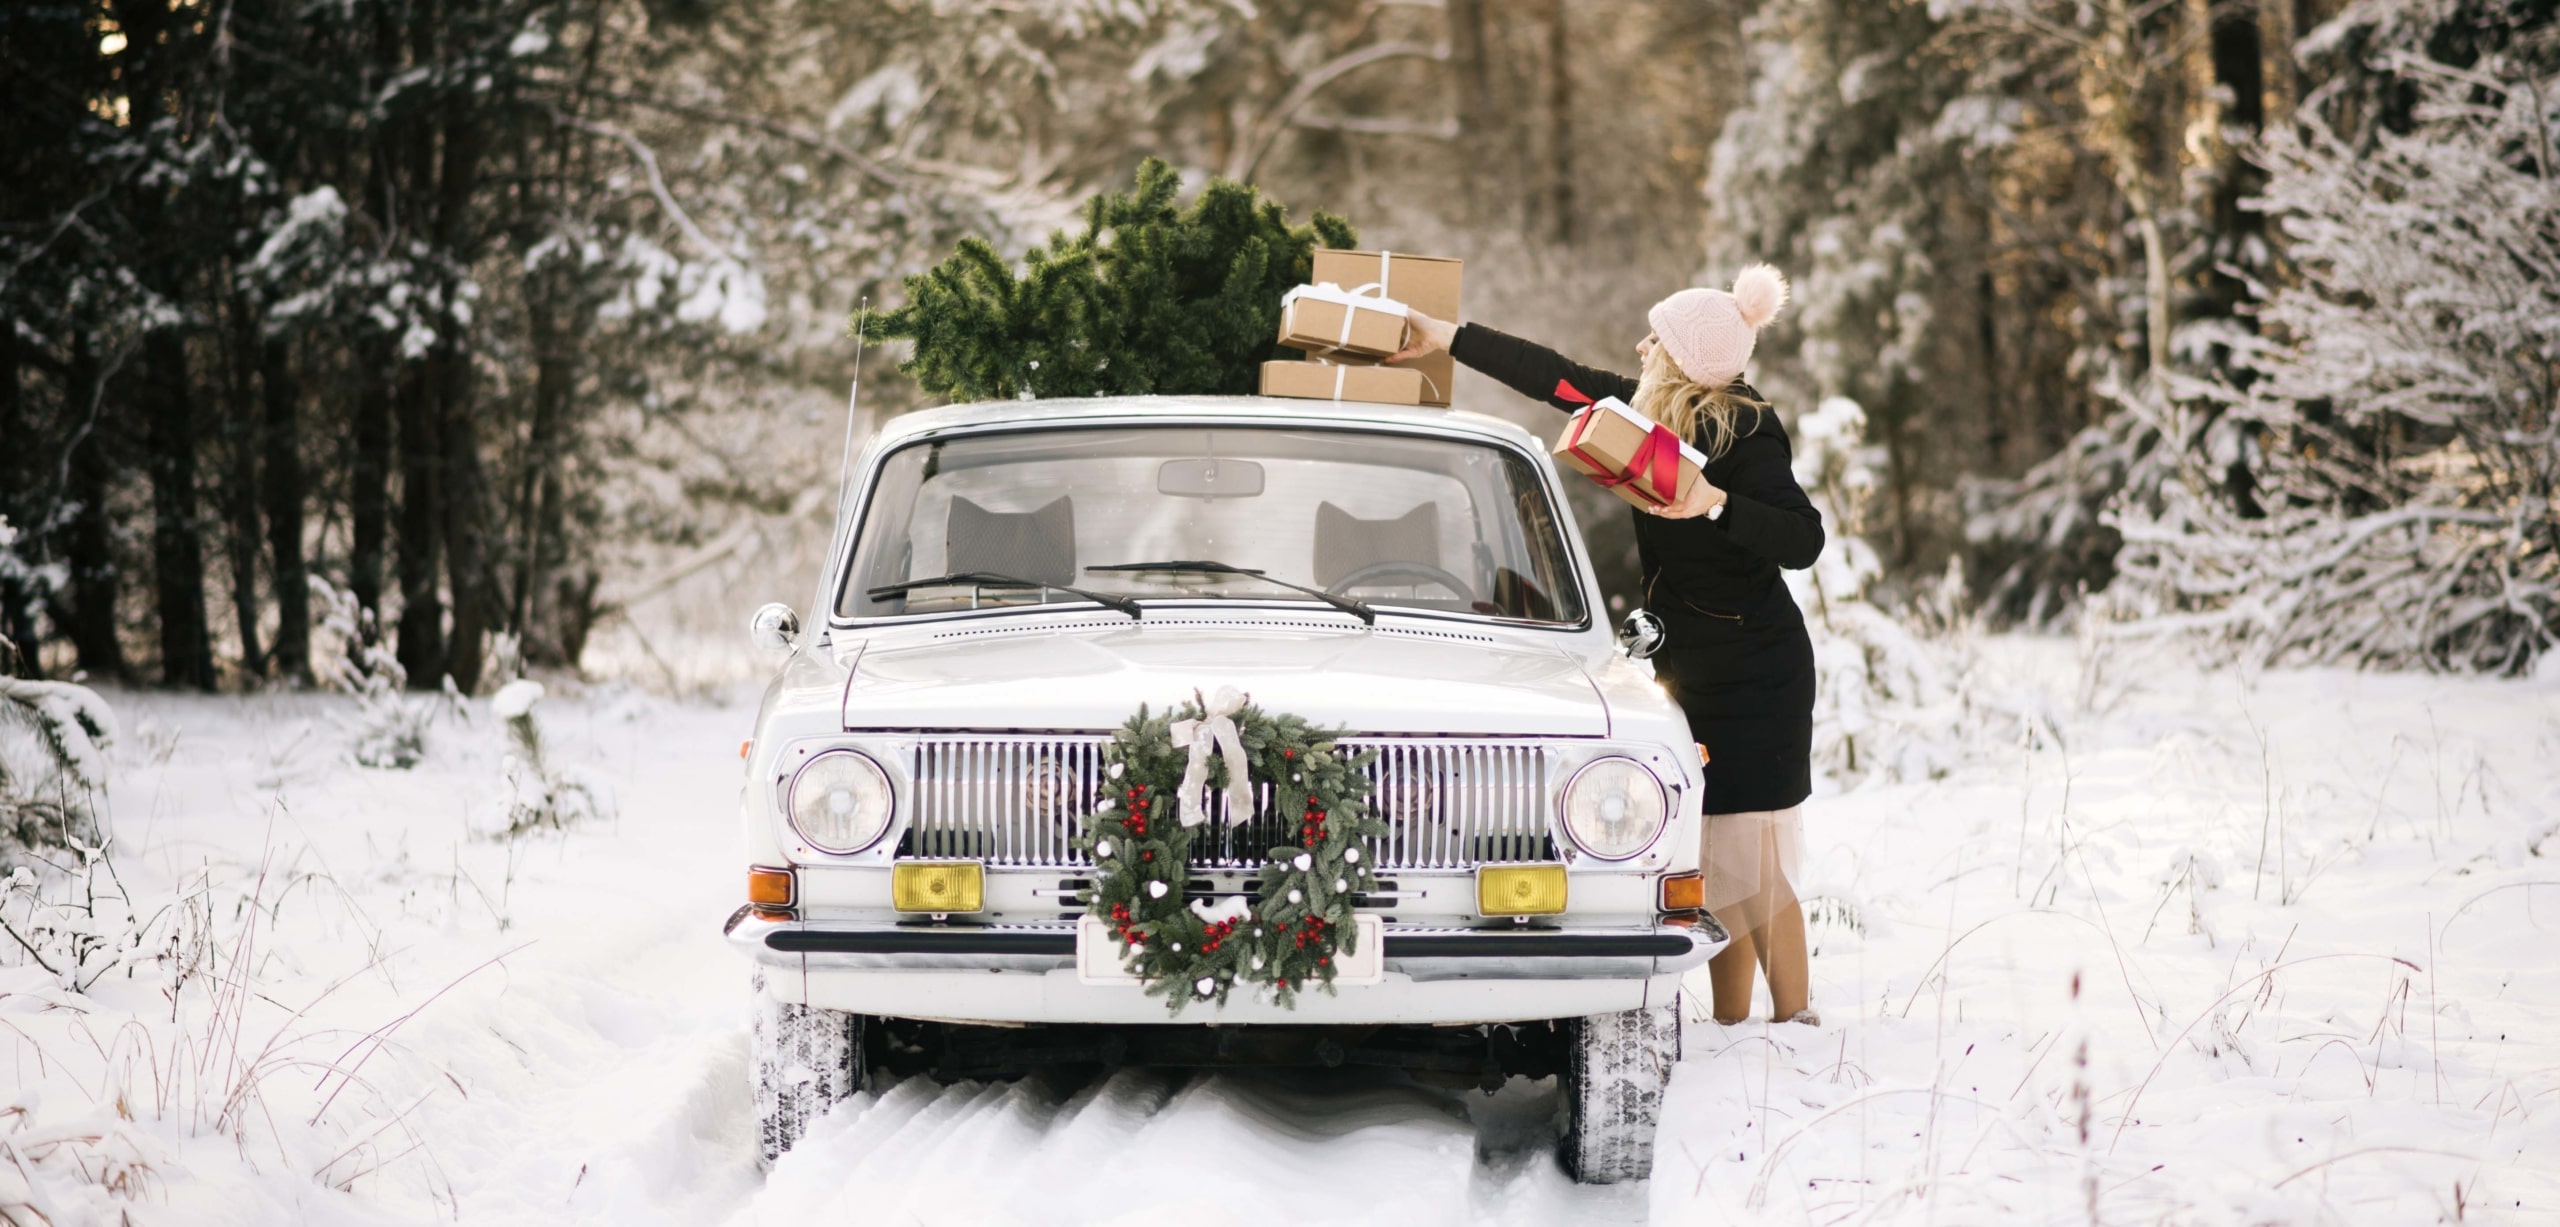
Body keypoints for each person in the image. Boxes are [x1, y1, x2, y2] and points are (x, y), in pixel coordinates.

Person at [1389, 266, 1822, 1026]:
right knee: (1717, 849)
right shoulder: (1647, 414)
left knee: (1755, 859)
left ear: (1687, 358)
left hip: (1759, 670)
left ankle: (1794, 1026)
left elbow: (1803, 537)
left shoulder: (1748, 430)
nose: (1641, 344)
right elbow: (1552, 377)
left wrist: (1715, 501)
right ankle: (1733, 1023)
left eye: (1657, 337)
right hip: (1692, 664)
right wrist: (1446, 338)